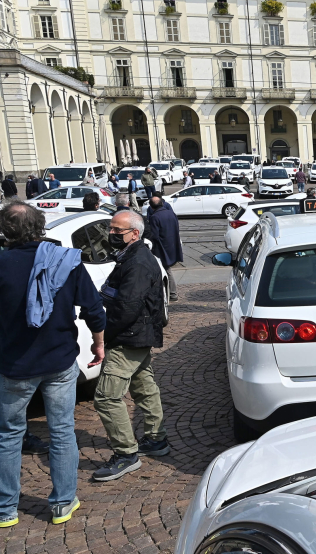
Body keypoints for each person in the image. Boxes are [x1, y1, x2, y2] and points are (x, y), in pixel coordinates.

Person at [0, 204, 105, 527]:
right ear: (40, 226)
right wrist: (99, 343)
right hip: (59, 360)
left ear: (5, 231)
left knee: (8, 436)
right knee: (62, 432)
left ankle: (5, 510)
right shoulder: (66, 261)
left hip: (14, 363)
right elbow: (93, 308)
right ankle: (62, 503)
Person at [92, 210, 168, 482]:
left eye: (117, 231)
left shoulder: (137, 262)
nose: (111, 235)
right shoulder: (132, 256)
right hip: (138, 335)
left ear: (135, 234)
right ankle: (156, 439)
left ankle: (126, 454)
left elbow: (126, 307)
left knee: (106, 397)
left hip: (128, 338)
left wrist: (102, 336)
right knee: (144, 387)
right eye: (110, 229)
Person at [146, 196, 182, 302]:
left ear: (152, 207)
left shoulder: (154, 217)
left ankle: (172, 293)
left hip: (161, 249)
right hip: (172, 246)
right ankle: (170, 293)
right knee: (166, 270)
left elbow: (154, 236)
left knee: (166, 270)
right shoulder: (171, 213)